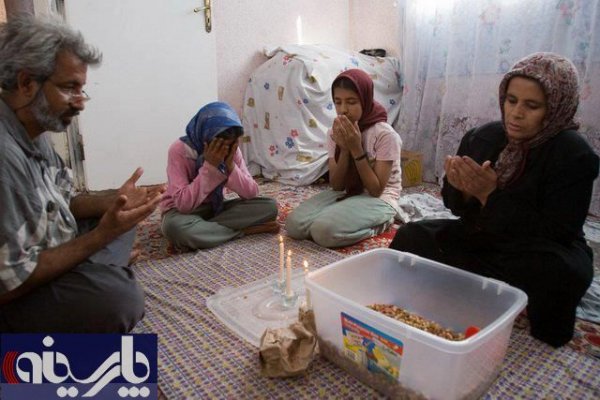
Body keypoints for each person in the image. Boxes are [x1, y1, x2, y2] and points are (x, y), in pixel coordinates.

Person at [389, 52, 599, 347]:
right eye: (511, 101)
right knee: (412, 236)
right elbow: (456, 207)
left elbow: (558, 230)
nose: (516, 113)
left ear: (556, 108)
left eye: (532, 106)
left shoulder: (574, 154)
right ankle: (454, 294)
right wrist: (462, 190)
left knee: (562, 275)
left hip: (538, 248)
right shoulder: (484, 138)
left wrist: (490, 195)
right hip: (483, 237)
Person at [0, 15, 165, 332]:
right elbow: (9, 283)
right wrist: (101, 237)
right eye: (69, 88)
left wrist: (115, 202)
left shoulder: (33, 128)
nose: (80, 103)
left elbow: (65, 200)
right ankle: (101, 273)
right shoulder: (5, 157)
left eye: (82, 90)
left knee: (122, 219)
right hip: (12, 294)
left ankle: (98, 271)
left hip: (45, 250)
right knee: (121, 300)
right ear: (26, 83)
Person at [285, 69, 402, 248]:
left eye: (351, 102)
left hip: (380, 198)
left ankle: (380, 223)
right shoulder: (335, 132)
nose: (343, 110)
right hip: (348, 192)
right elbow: (337, 185)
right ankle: (341, 216)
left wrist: (356, 149)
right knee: (294, 226)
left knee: (323, 232)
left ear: (365, 100)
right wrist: (345, 149)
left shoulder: (385, 135)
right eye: (338, 102)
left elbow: (375, 190)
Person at [160, 101, 279, 249]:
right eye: (218, 146)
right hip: (182, 213)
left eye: (229, 145)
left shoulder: (231, 148)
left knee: (269, 206)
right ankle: (243, 231)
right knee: (174, 228)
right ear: (205, 139)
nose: (224, 150)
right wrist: (210, 167)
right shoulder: (179, 150)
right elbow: (184, 205)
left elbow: (251, 193)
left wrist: (230, 167)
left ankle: (205, 232)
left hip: (216, 209)